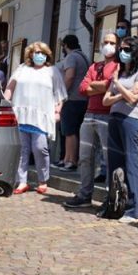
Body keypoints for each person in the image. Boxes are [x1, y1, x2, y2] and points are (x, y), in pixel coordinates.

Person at [63, 33, 120, 209]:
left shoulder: (118, 66)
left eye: (112, 42)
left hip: (107, 115)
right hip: (89, 114)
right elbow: (82, 88)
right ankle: (85, 194)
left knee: (108, 159)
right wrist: (101, 85)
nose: (108, 45)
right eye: (105, 42)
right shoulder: (94, 66)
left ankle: (111, 198)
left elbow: (111, 85)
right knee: (85, 157)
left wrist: (96, 85)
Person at [5, 42, 66, 195]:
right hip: (21, 114)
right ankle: (22, 181)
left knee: (40, 148)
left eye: (43, 53)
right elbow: (10, 87)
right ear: (30, 54)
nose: (40, 55)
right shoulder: (22, 69)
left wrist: (58, 110)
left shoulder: (52, 71)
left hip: (41, 116)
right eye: (37, 52)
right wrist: (5, 104)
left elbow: (60, 93)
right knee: (22, 150)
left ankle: (43, 179)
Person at [102, 39, 138, 221]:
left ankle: (135, 209)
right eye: (121, 49)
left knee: (131, 163)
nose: (122, 52)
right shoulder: (119, 72)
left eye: (127, 49)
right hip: (114, 118)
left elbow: (133, 98)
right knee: (114, 164)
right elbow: (106, 100)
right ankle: (115, 204)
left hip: (130, 120)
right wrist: (121, 94)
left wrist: (118, 88)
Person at [55, 35, 88, 172]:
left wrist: (62, 94)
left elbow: (69, 76)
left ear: (66, 45)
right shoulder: (83, 56)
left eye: (63, 45)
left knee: (69, 131)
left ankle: (70, 160)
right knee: (73, 131)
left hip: (72, 99)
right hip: (83, 99)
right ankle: (67, 159)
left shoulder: (71, 57)